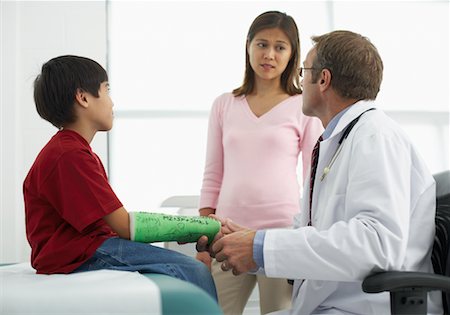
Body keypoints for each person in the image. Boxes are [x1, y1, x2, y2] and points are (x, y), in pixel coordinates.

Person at [198, 30, 443, 314]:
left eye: (304, 72)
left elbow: (377, 244)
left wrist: (260, 246)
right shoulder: (340, 140)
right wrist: (250, 239)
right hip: (334, 303)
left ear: (323, 79)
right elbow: (317, 235)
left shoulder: (375, 137)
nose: (301, 81)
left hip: (363, 307)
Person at [23, 55, 217, 300]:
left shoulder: (70, 150)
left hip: (84, 247)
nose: (112, 103)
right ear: (83, 97)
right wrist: (199, 228)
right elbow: (124, 226)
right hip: (76, 254)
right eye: (106, 91)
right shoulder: (70, 155)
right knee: (193, 270)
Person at [197, 11, 323, 315]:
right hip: (226, 234)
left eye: (280, 47)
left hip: (281, 236)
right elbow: (213, 172)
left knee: (279, 311)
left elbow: (314, 177)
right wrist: (203, 236)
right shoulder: (224, 104)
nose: (269, 55)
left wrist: (310, 236)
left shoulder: (303, 107)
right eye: (262, 44)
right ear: (248, 46)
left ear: (292, 54)